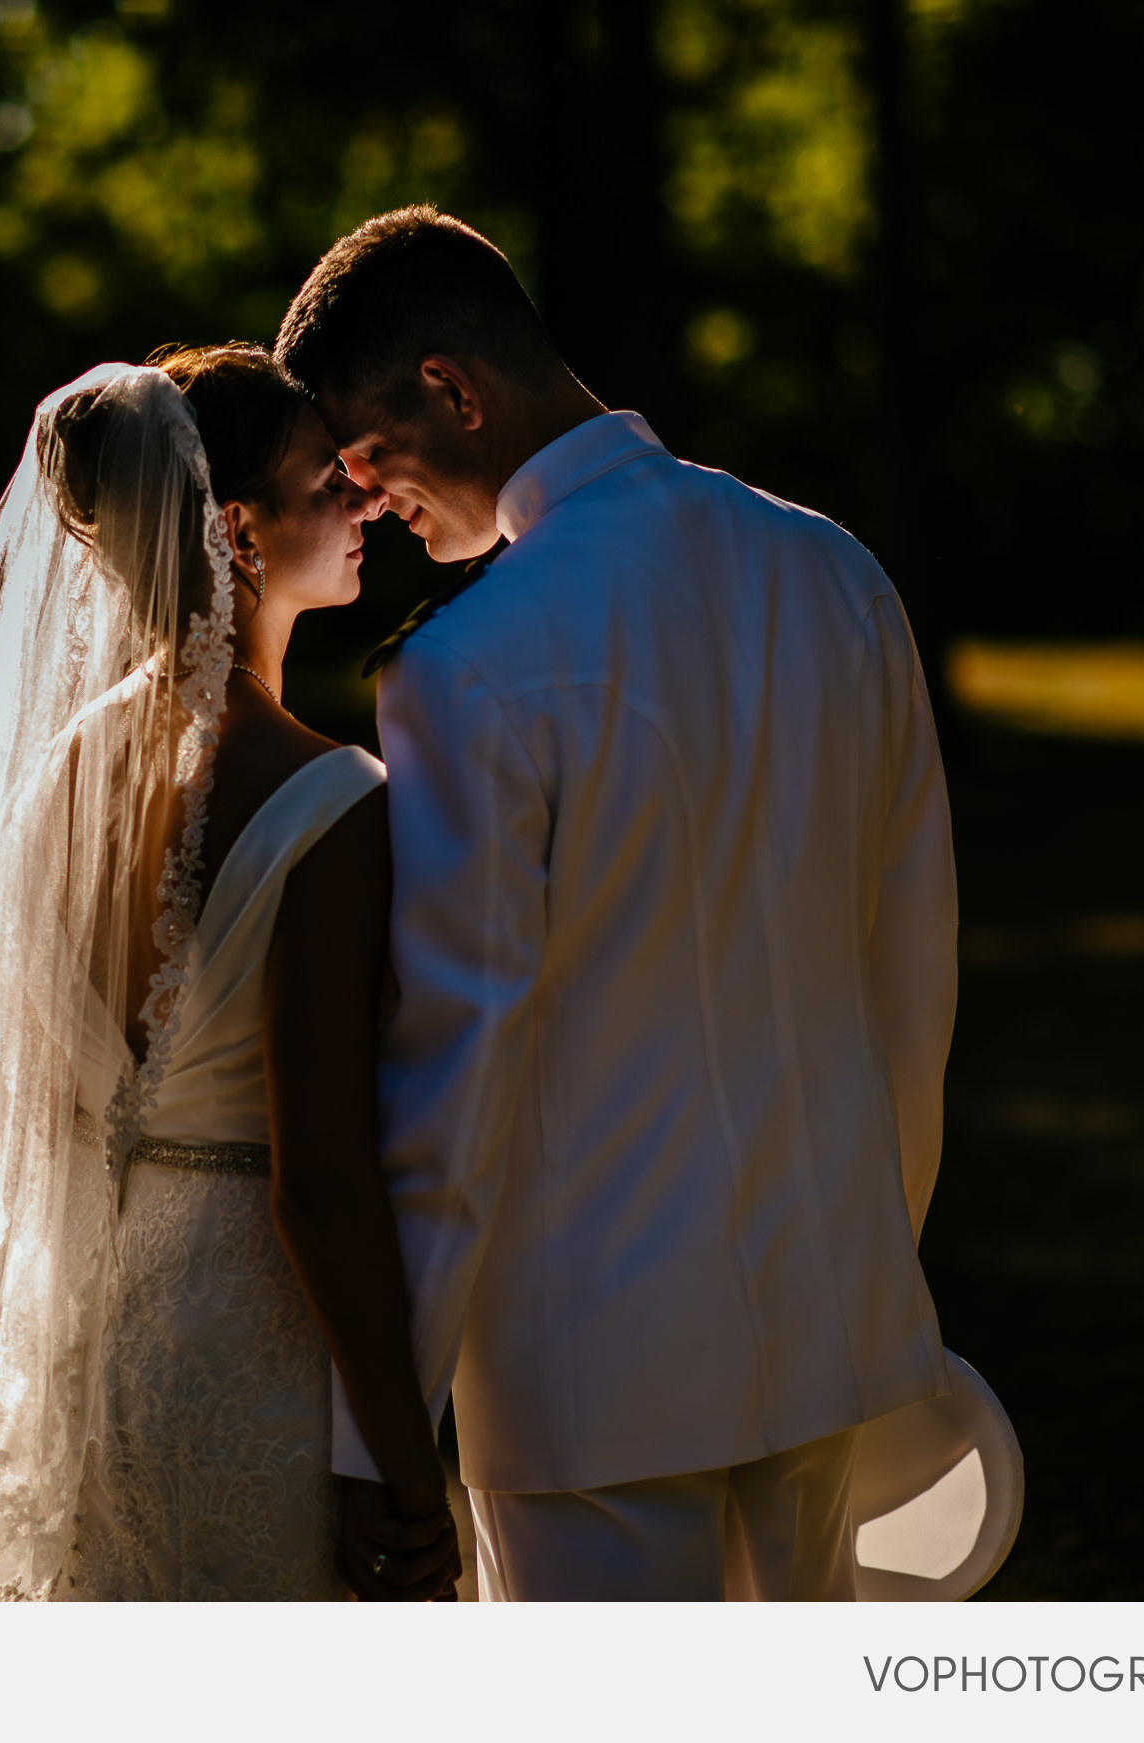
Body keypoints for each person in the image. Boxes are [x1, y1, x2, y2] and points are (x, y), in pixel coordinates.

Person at [275, 208, 960, 1601]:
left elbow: (455, 1087)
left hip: (586, 1379)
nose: (367, 505)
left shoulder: (466, 666)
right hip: (834, 1327)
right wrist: (868, 1265)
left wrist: (379, 1434)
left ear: (455, 392)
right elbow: (913, 975)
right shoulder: (836, 571)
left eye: (364, 457)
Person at [0, 347, 460, 1602]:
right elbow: (321, 1178)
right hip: (250, 1346)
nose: (365, 499)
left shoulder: (51, 787)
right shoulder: (332, 802)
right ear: (237, 532)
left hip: (87, 1335)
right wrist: (401, 1463)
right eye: (328, 478)